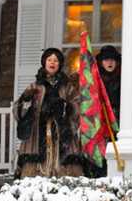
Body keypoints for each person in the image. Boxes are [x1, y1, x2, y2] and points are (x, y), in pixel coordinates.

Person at [13, 48, 85, 178]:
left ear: (60, 64)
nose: (52, 63)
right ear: (44, 63)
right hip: (38, 134)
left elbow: (78, 106)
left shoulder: (67, 87)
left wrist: (65, 108)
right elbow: (18, 111)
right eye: (49, 60)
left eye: (56, 60)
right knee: (34, 172)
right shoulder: (35, 86)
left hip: (62, 132)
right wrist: (26, 100)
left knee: (66, 171)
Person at [97, 45, 121, 121]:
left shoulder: (123, 79)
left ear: (117, 62)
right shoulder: (96, 80)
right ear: (101, 63)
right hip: (101, 119)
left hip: (119, 120)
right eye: (106, 59)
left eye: (112, 59)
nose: (110, 62)